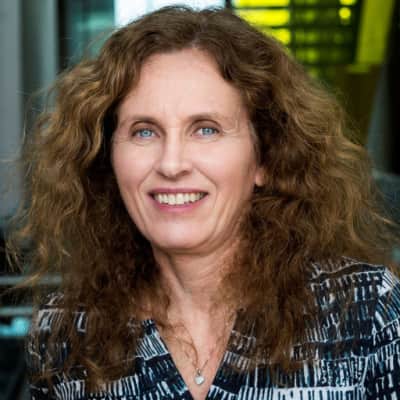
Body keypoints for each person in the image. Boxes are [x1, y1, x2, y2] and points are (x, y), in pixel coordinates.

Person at [7, 5, 400, 400]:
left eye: (206, 129)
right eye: (144, 132)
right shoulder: (66, 335)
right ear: (108, 157)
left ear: (265, 157)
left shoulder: (367, 312)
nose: (171, 164)